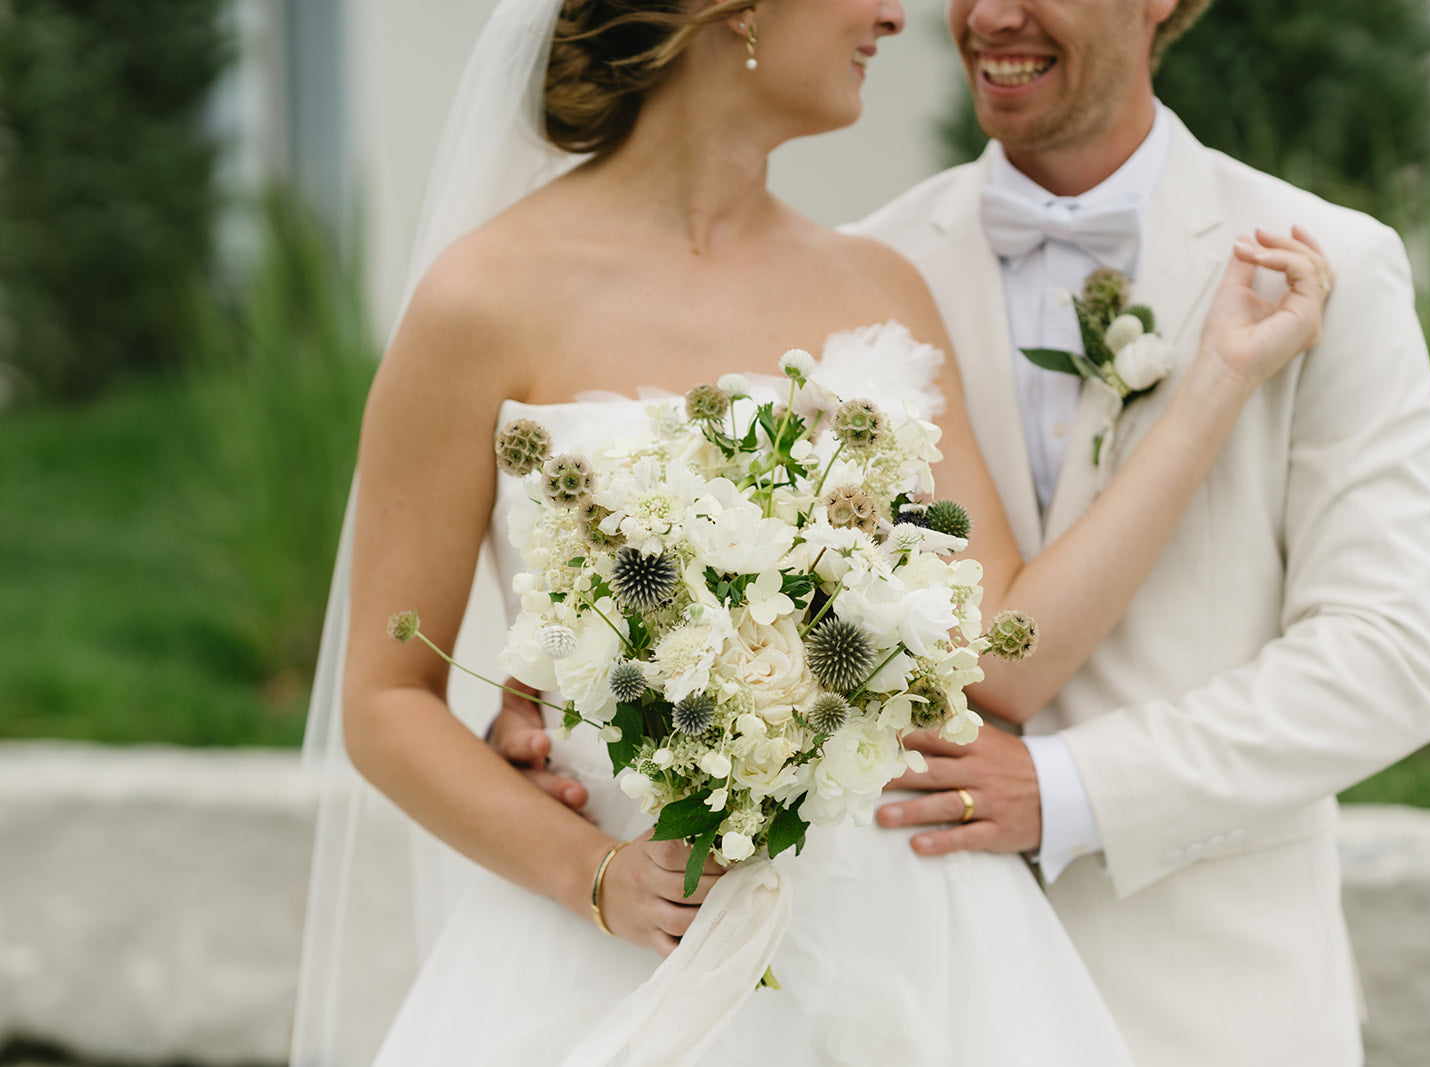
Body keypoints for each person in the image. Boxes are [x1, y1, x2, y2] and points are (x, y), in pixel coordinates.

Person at [303, 0, 1339, 1060]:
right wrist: (598, 875)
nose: (896, 15)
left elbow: (1003, 656)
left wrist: (1217, 382)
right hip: (619, 940)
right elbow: (386, 700)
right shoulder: (481, 300)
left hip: (914, 945)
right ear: (738, 10)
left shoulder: (877, 286)